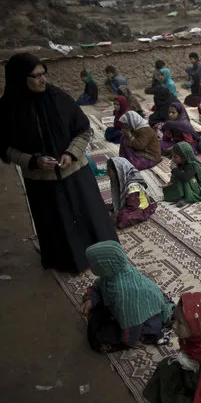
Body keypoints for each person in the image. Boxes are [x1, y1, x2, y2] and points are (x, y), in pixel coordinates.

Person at [0, 53, 118, 273]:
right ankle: (68, 261)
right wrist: (33, 161)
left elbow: (84, 130)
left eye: (43, 74)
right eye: (35, 76)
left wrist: (71, 154)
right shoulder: (8, 109)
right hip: (41, 180)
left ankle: (105, 256)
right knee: (57, 223)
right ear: (19, 79)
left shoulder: (59, 98)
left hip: (75, 171)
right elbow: (5, 149)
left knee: (89, 215)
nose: (42, 80)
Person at [80, 241, 173, 353]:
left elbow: (133, 323)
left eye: (93, 264)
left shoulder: (124, 294)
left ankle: (148, 337)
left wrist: (130, 341)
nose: (90, 267)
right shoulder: (115, 273)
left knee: (97, 340)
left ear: (104, 266)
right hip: (133, 315)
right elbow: (99, 285)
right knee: (95, 311)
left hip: (146, 323)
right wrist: (92, 299)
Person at [106, 157, 157, 229]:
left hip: (139, 208)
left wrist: (117, 214)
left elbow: (132, 207)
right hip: (129, 204)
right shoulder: (121, 180)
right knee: (108, 207)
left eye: (109, 171)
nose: (107, 174)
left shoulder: (132, 187)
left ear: (118, 171)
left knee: (124, 217)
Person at [163, 142, 201, 207]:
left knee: (185, 178)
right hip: (186, 185)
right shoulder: (181, 163)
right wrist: (172, 181)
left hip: (194, 189)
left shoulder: (192, 165)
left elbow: (185, 178)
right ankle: (182, 195)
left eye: (175, 157)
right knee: (177, 175)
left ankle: (187, 198)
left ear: (184, 157)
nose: (173, 159)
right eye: (172, 156)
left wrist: (174, 169)